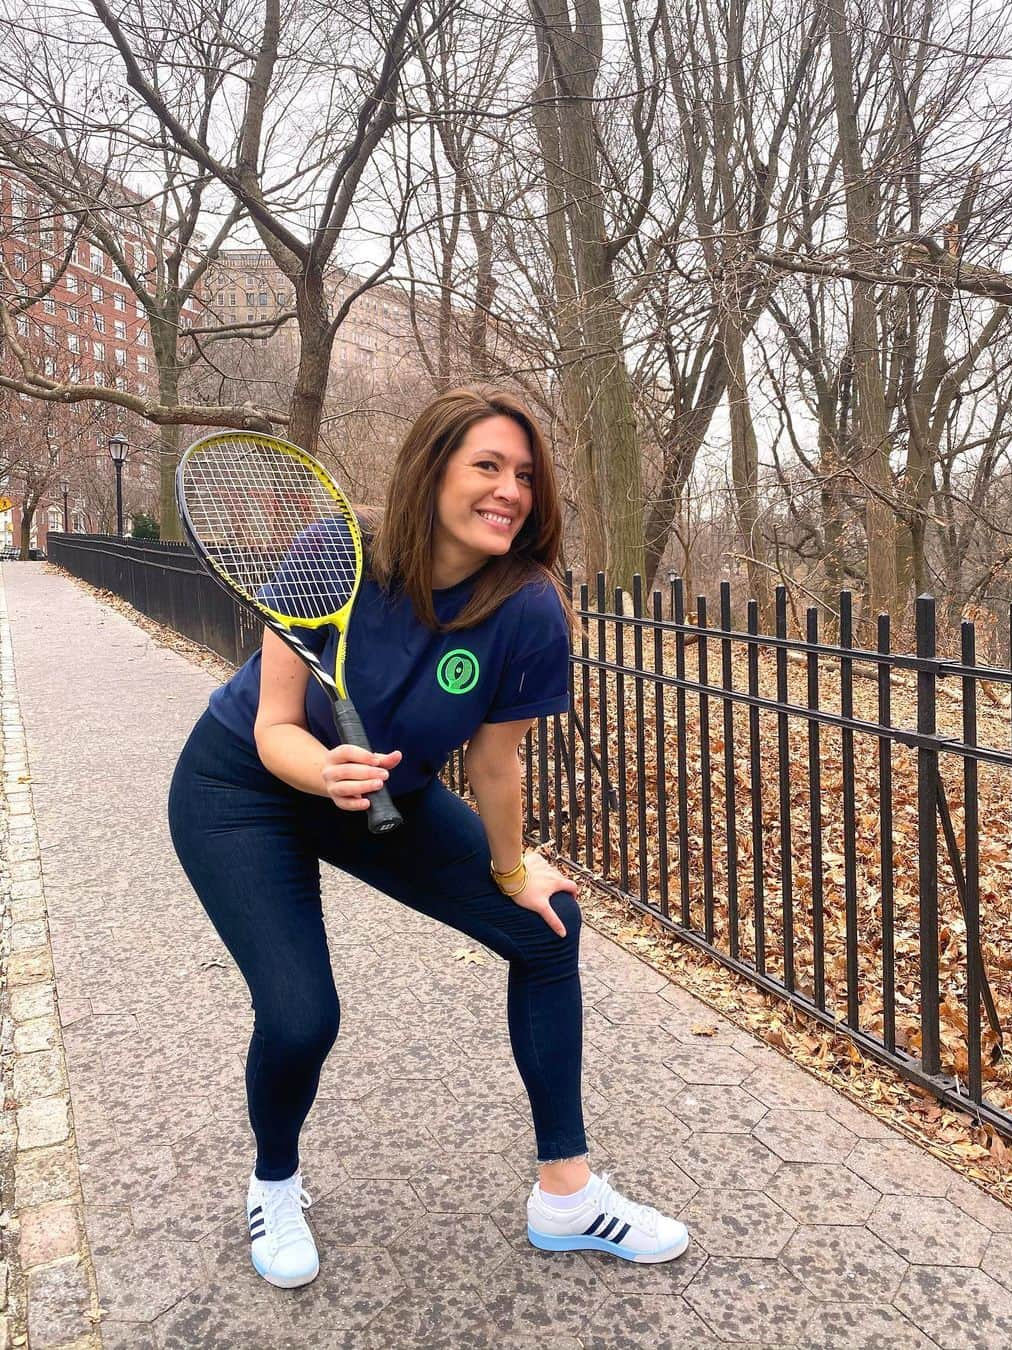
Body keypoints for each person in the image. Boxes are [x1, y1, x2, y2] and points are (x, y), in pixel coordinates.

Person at [168, 385, 690, 1289]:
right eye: (487, 466)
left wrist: (513, 867)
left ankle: (566, 1196)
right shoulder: (335, 551)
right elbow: (276, 724)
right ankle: (275, 1182)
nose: (510, 490)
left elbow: (494, 766)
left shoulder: (527, 607)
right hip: (242, 788)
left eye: (524, 473)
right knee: (302, 1016)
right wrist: (318, 771)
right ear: (431, 471)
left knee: (546, 928)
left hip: (383, 793)